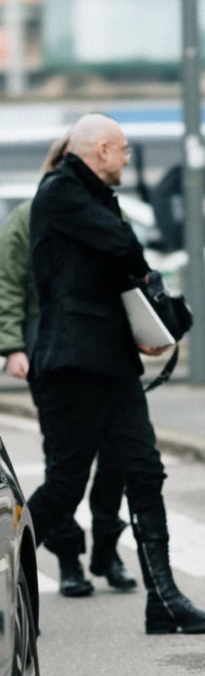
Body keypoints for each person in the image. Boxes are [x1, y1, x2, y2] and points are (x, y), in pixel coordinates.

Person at [28, 112, 205, 634]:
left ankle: (163, 601)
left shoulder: (94, 195)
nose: (127, 159)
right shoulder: (61, 192)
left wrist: (145, 314)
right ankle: (9, 576)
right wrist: (142, 273)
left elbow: (117, 266)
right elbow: (123, 249)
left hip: (111, 362)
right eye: (123, 150)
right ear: (101, 151)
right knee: (65, 486)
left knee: (144, 470)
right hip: (72, 365)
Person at [0, 133, 136, 598]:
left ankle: (107, 549)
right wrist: (12, 347)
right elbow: (9, 283)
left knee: (116, 456)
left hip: (102, 350)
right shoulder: (30, 215)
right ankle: (68, 558)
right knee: (65, 463)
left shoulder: (103, 211)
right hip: (51, 350)